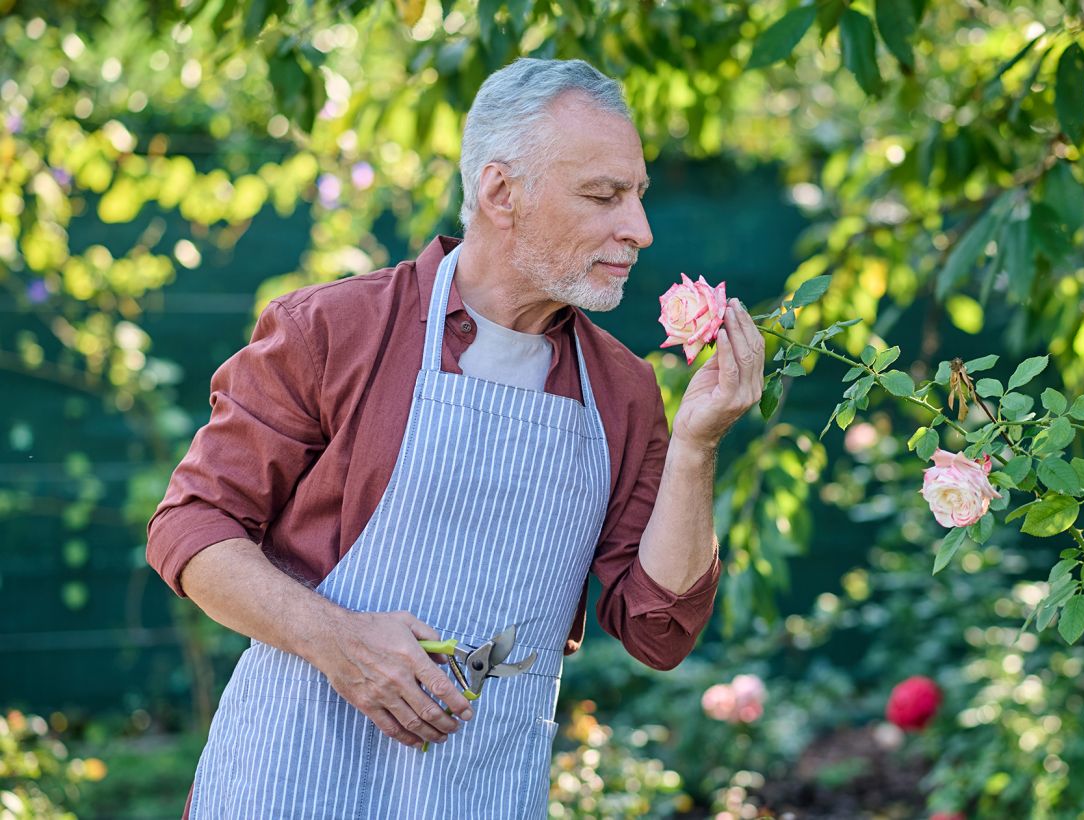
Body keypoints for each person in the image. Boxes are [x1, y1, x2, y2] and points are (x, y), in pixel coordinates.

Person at [146, 57, 765, 817]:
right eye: (603, 196)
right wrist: (338, 641)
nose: (638, 229)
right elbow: (192, 528)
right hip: (290, 771)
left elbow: (658, 629)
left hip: (486, 785)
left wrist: (698, 445)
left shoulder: (624, 392)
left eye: (636, 195)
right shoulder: (334, 331)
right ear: (502, 193)